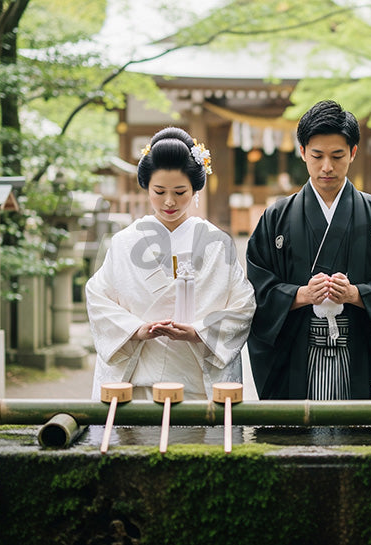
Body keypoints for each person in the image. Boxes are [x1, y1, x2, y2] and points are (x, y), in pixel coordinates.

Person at [246, 100, 371, 400]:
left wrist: (357, 295)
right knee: (297, 441)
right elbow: (255, 288)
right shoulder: (277, 217)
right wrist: (299, 296)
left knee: (358, 439)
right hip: (297, 354)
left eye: (337, 155)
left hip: (360, 354)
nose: (327, 166)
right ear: (302, 153)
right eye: (317, 155)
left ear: (352, 153)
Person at [86, 127, 255, 401]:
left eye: (179, 191)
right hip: (137, 384)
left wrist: (200, 331)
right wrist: (135, 329)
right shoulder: (124, 242)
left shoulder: (217, 243)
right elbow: (98, 297)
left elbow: (243, 304)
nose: (169, 201)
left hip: (200, 388)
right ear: (146, 187)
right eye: (159, 191)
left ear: (195, 188)